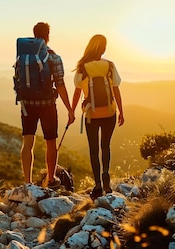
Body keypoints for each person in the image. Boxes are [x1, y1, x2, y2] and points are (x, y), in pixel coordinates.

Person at [19, 22, 75, 188]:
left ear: (34, 35)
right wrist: (70, 110)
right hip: (47, 105)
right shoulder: (53, 57)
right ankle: (51, 179)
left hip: (27, 104)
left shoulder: (23, 57)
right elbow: (60, 84)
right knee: (51, 142)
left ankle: (27, 182)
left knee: (27, 142)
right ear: (48, 36)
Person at [71, 34, 124, 199]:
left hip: (91, 115)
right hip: (109, 112)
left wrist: (71, 111)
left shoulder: (83, 67)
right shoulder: (109, 66)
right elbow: (116, 89)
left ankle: (98, 186)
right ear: (102, 49)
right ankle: (106, 180)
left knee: (94, 149)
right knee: (105, 146)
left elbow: (77, 91)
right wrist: (121, 111)